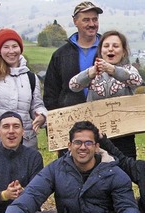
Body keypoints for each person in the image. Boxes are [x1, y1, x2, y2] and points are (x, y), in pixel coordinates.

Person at [0, 121, 140, 213]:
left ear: (97, 147)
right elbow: (33, 193)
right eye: (77, 142)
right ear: (69, 146)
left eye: (88, 143)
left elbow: (127, 205)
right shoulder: (56, 169)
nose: (82, 147)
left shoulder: (113, 172)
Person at [69, 30, 144, 159]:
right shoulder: (93, 72)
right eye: (106, 46)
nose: (111, 50)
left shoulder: (129, 69)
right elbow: (73, 86)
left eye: (115, 46)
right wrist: (90, 74)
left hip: (124, 136)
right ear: (100, 50)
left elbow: (137, 81)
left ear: (123, 51)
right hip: (96, 137)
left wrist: (113, 70)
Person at [43, 1, 103, 156]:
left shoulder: (109, 50)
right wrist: (56, 128)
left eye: (94, 19)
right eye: (86, 20)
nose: (92, 24)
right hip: (70, 127)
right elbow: (51, 94)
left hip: (104, 125)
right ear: (75, 21)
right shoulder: (60, 55)